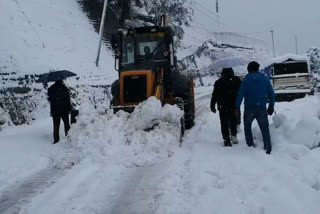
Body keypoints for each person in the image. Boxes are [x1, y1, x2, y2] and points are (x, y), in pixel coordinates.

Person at [236, 61, 275, 154]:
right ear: (257, 69)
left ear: (249, 70)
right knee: (264, 128)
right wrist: (271, 105)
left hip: (249, 108)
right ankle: (267, 147)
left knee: (247, 127)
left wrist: (237, 107)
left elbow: (240, 94)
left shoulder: (246, 80)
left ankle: (250, 146)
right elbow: (271, 93)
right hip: (261, 108)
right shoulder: (265, 79)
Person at [211, 67, 242, 147]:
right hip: (234, 105)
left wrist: (212, 105)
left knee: (224, 123)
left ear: (222, 73)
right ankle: (234, 136)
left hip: (222, 106)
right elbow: (241, 91)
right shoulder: (237, 80)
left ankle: (226, 140)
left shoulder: (218, 82)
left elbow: (214, 95)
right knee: (233, 121)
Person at [48, 79, 71, 144]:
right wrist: (69, 109)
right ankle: (68, 137)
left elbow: (49, 99)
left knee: (56, 126)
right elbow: (67, 99)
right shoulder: (64, 88)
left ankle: (56, 139)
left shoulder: (51, 88)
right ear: (61, 81)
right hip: (64, 110)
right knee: (66, 125)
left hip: (55, 110)